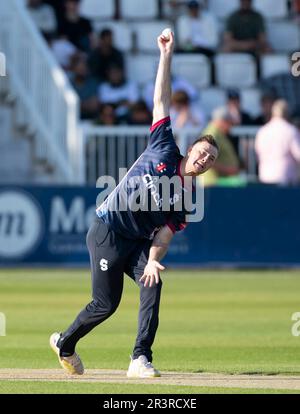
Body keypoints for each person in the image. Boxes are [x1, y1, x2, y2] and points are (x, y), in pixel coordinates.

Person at [50, 30, 219, 378]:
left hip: (139, 241)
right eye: (202, 152)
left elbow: (163, 236)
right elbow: (162, 100)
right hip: (108, 231)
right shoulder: (163, 146)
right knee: (105, 305)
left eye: (210, 159)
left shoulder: (186, 199)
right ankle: (65, 343)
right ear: (191, 150)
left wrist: (153, 262)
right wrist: (166, 55)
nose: (204, 159)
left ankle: (139, 358)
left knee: (152, 281)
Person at [255, 100, 300, 185]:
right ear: (287, 114)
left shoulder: (262, 131)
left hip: (265, 177)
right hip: (285, 179)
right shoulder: (291, 131)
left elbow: (258, 156)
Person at [201, 107, 240, 186]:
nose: (231, 126)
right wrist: (229, 170)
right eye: (230, 123)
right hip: (212, 183)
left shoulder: (218, 133)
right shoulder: (212, 135)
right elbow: (205, 159)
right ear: (222, 121)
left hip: (218, 182)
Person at [69, 54, 99, 120]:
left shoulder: (92, 83)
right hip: (70, 119)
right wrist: (85, 104)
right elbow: (65, 106)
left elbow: (93, 106)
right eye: (80, 66)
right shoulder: (68, 83)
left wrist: (76, 104)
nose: (82, 69)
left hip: (89, 120)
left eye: (84, 66)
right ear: (74, 68)